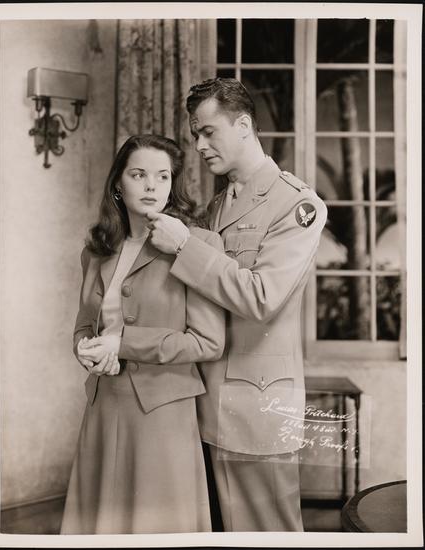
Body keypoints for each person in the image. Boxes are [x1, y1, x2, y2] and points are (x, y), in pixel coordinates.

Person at [145, 78, 328, 532]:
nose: (199, 146)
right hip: (208, 399)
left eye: (209, 132)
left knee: (269, 533)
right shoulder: (218, 205)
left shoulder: (298, 204)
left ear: (243, 125)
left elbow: (261, 297)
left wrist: (184, 245)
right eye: (195, 135)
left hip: (258, 405)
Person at [60, 134, 225, 534]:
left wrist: (123, 344)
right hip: (103, 406)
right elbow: (85, 324)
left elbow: (207, 342)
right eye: (139, 175)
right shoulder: (97, 249)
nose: (152, 186)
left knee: (158, 530)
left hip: (163, 413)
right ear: (118, 183)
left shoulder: (197, 244)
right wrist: (86, 349)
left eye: (162, 176)